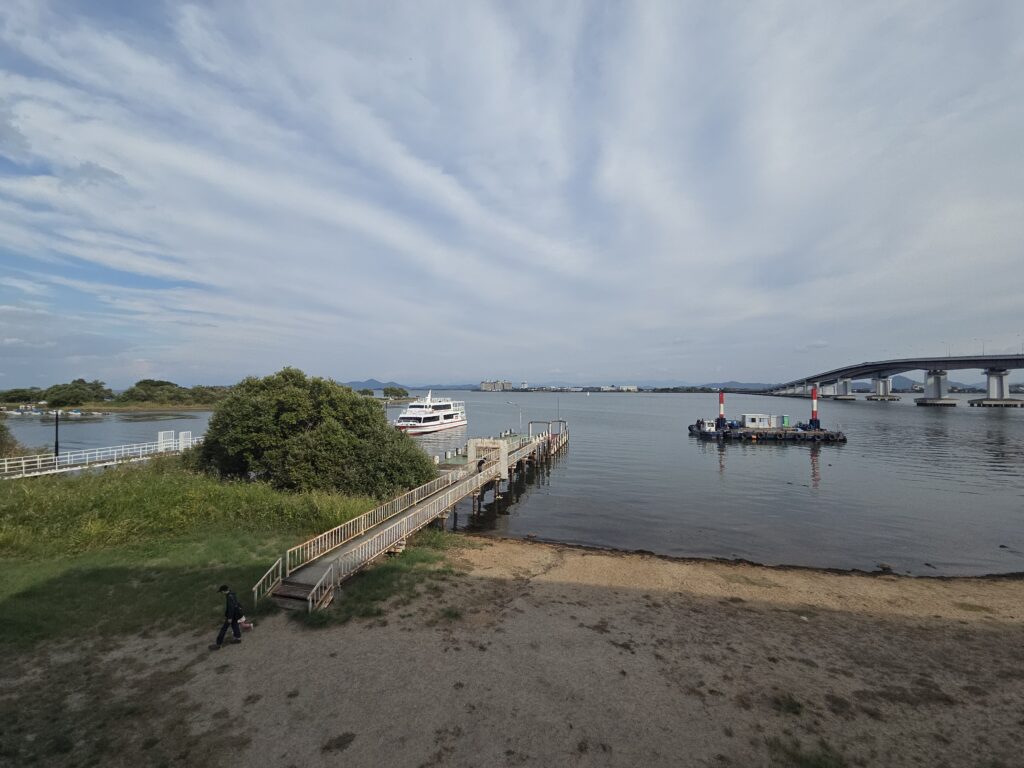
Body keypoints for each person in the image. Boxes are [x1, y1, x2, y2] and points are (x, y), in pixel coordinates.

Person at [209, 585, 244, 651]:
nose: (221, 593)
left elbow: (231, 608)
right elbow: (237, 603)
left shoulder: (229, 597)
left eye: (221, 592)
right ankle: (238, 638)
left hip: (231, 615)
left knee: (224, 629)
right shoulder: (232, 594)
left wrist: (229, 617)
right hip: (236, 614)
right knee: (235, 625)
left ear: (223, 591)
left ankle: (218, 644)